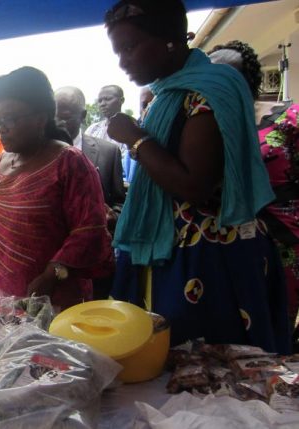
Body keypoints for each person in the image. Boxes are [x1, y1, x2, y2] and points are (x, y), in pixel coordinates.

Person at [105, 0, 289, 353]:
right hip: (173, 251)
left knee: (211, 378)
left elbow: (194, 185)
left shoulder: (209, 89)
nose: (123, 61)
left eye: (130, 47)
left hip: (210, 258)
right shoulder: (168, 94)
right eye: (118, 51)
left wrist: (135, 138)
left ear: (171, 39)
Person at [0, 67, 113, 309]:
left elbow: (89, 230)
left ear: (41, 118)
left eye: (9, 120)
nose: (1, 130)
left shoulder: (69, 163)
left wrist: (51, 276)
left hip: (52, 302)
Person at [210, 40, 299, 348]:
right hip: (229, 245)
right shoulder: (206, 122)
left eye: (229, 73)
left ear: (250, 76)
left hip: (285, 242)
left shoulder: (288, 119)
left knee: (279, 328)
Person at [55, 87, 125, 213]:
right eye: (53, 117)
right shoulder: (35, 153)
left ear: (83, 116)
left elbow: (120, 204)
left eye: (65, 118)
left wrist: (112, 216)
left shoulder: (109, 153)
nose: (58, 123)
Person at [87, 85, 137, 184]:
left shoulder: (132, 127)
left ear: (121, 100)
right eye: (100, 101)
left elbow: (128, 163)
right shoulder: (93, 129)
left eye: (108, 99)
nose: (102, 104)